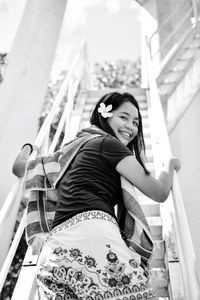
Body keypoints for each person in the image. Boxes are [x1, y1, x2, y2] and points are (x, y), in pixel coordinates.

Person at [12, 92, 181, 300]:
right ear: (105, 115)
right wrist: (169, 165)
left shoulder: (66, 154)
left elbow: (19, 168)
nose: (131, 127)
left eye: (136, 122)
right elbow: (159, 192)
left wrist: (30, 148)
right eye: (124, 117)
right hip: (93, 236)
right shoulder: (109, 145)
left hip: (54, 251)